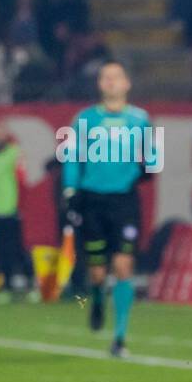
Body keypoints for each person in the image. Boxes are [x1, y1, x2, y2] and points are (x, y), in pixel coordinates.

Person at [61, 60, 156, 354]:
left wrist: (149, 166)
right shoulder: (85, 119)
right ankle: (98, 298)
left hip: (124, 201)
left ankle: (119, 338)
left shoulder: (141, 119)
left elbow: (152, 157)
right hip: (92, 201)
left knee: (124, 266)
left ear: (127, 83)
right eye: (106, 77)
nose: (111, 82)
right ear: (99, 84)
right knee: (98, 271)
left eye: (116, 77)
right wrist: (70, 190)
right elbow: (73, 157)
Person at [0, 120, 34, 303]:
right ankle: (7, 287)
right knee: (0, 251)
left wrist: (21, 205)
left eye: (0, 133)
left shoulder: (14, 153)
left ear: (6, 135)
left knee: (18, 249)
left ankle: (32, 284)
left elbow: (22, 181)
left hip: (11, 208)